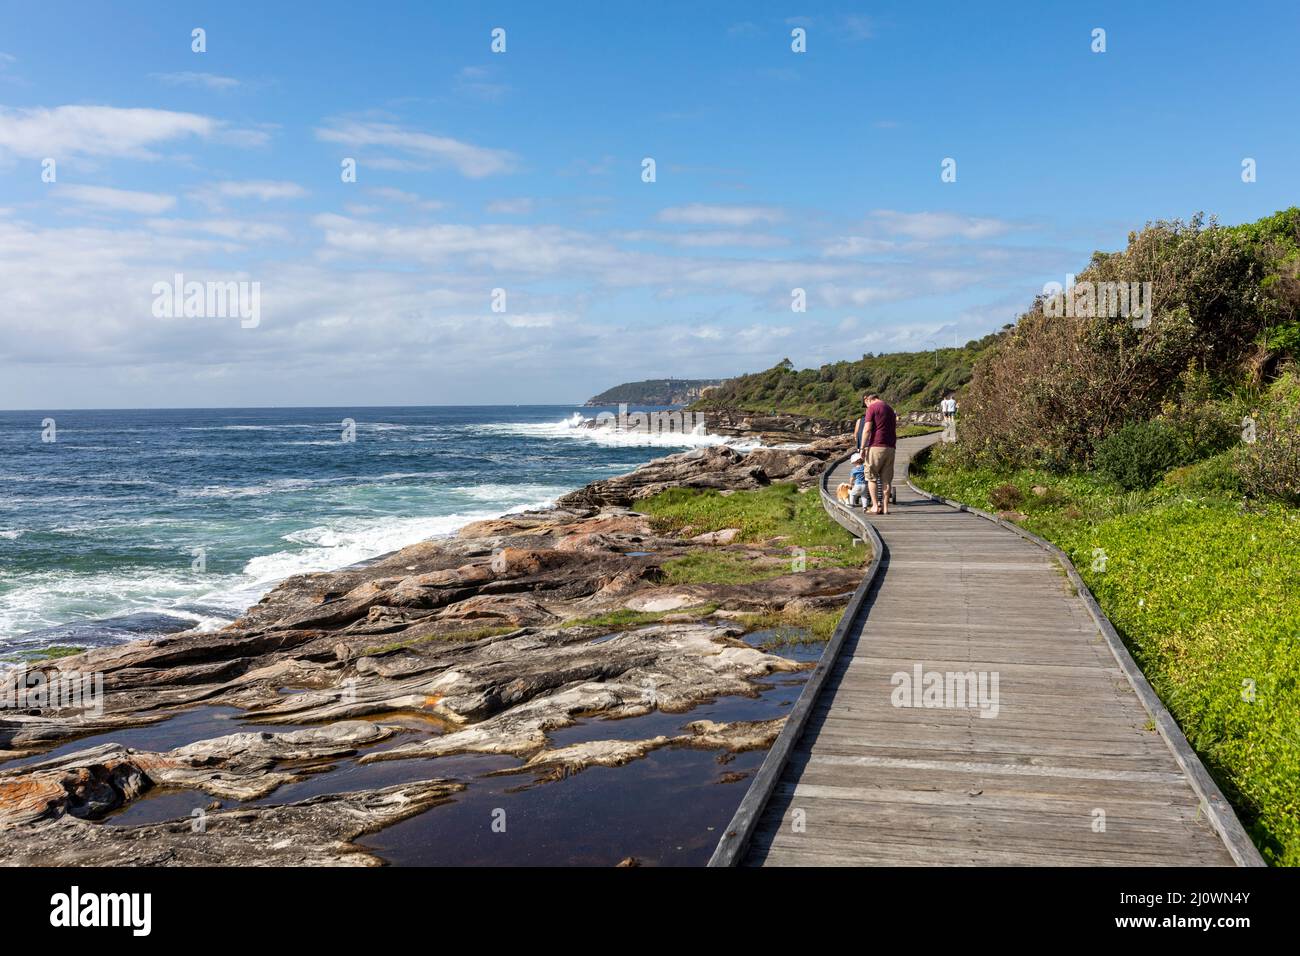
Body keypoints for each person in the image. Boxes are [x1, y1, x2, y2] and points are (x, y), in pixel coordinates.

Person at [855, 392, 897, 515]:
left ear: (866, 399)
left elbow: (867, 429)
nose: (866, 406)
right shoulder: (889, 409)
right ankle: (885, 508)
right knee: (886, 480)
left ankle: (874, 506)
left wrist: (862, 448)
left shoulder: (872, 408)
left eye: (865, 404)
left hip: (876, 446)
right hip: (890, 447)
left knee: (871, 477)